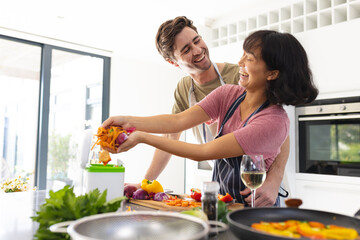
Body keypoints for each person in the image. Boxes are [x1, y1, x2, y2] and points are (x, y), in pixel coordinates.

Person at [102, 29, 318, 205]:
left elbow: (203, 152)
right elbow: (176, 122)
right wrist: (128, 121)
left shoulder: (271, 118)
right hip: (224, 201)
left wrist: (141, 137)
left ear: (271, 74)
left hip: (255, 206)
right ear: (174, 61)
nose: (240, 61)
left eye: (249, 58)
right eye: (186, 49)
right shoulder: (228, 93)